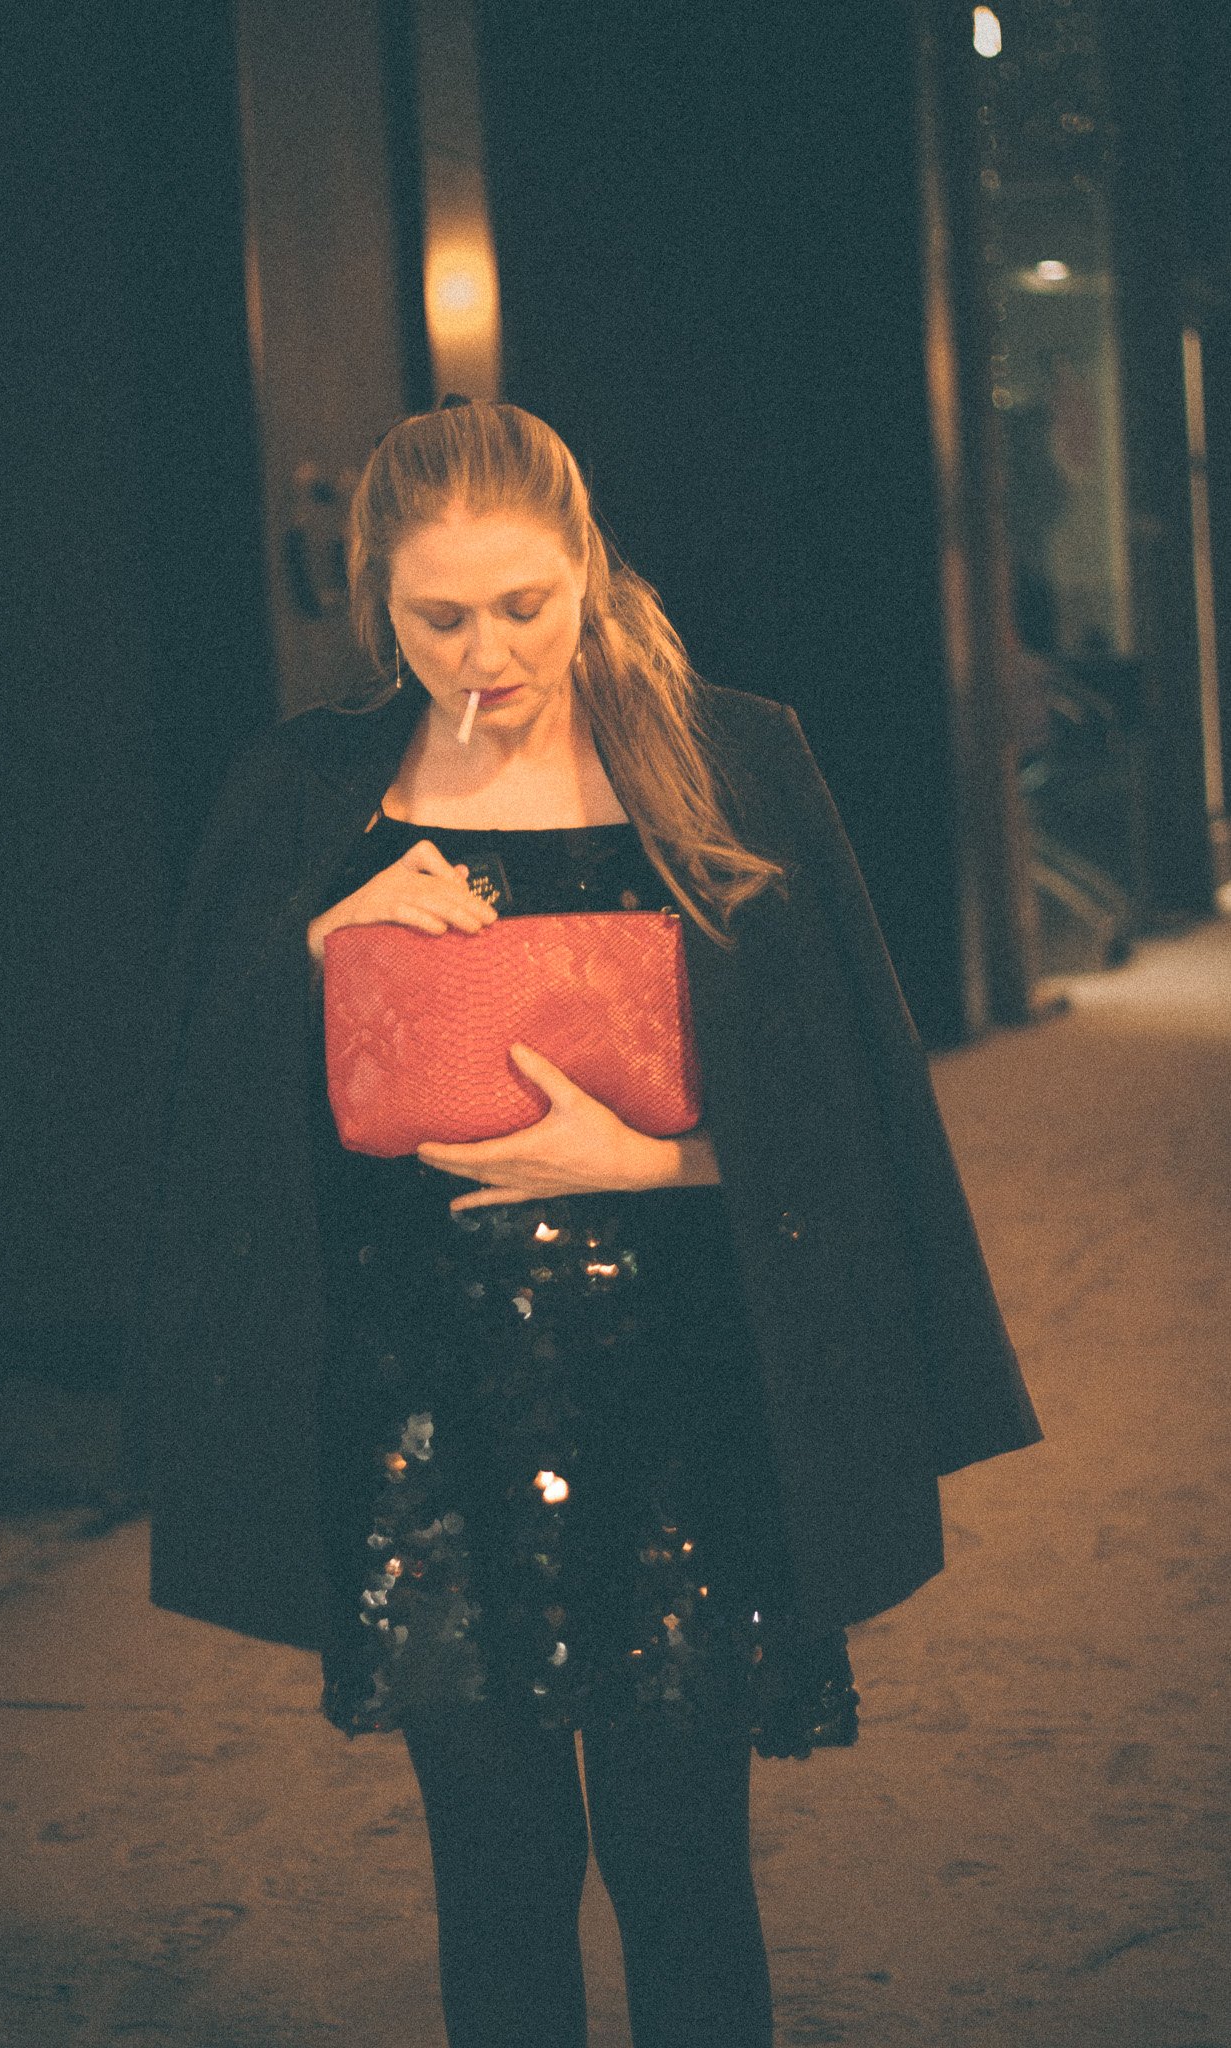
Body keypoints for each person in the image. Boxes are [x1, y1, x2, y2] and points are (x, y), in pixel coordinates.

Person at [137, 398, 1041, 2048]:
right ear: (377, 603)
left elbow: (848, 1101)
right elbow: (205, 1123)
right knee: (492, 1858)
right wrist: (323, 945)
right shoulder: (307, 788)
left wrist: (662, 1170)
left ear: (586, 573)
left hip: (679, 1393)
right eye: (438, 616)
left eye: (523, 604)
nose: (485, 650)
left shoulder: (728, 753)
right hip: (419, 1404)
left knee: (680, 1854)